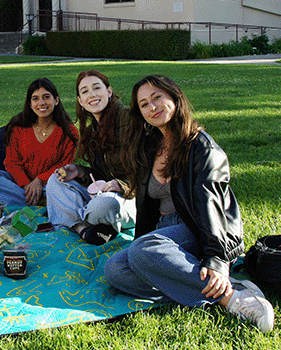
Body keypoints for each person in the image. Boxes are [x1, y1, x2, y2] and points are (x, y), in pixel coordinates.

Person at [104, 74, 274, 333]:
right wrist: (143, 241)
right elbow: (146, 205)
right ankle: (206, 285)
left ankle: (232, 297)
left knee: (143, 251)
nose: (152, 107)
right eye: (144, 104)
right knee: (115, 269)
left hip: (199, 227)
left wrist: (216, 259)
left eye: (157, 97)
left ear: (175, 97)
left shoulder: (203, 148)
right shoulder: (150, 146)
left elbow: (210, 203)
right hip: (163, 230)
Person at [46, 70, 136, 245]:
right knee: (54, 182)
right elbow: (101, 174)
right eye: (85, 91)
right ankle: (85, 229)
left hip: (131, 198)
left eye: (97, 88)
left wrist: (122, 185)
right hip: (105, 192)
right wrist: (79, 172)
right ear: (80, 101)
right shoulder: (92, 131)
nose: (92, 95)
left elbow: (148, 170)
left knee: (105, 205)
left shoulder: (129, 119)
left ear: (109, 92)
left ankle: (75, 220)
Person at [0, 77, 79, 206]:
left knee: (69, 187)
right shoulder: (19, 127)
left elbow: (63, 165)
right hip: (18, 183)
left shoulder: (69, 131)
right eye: (35, 99)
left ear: (56, 100)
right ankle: (38, 201)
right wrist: (27, 184)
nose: (41, 103)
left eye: (46, 97)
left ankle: (22, 200)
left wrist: (40, 180)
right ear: (30, 104)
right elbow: (12, 162)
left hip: (49, 184)